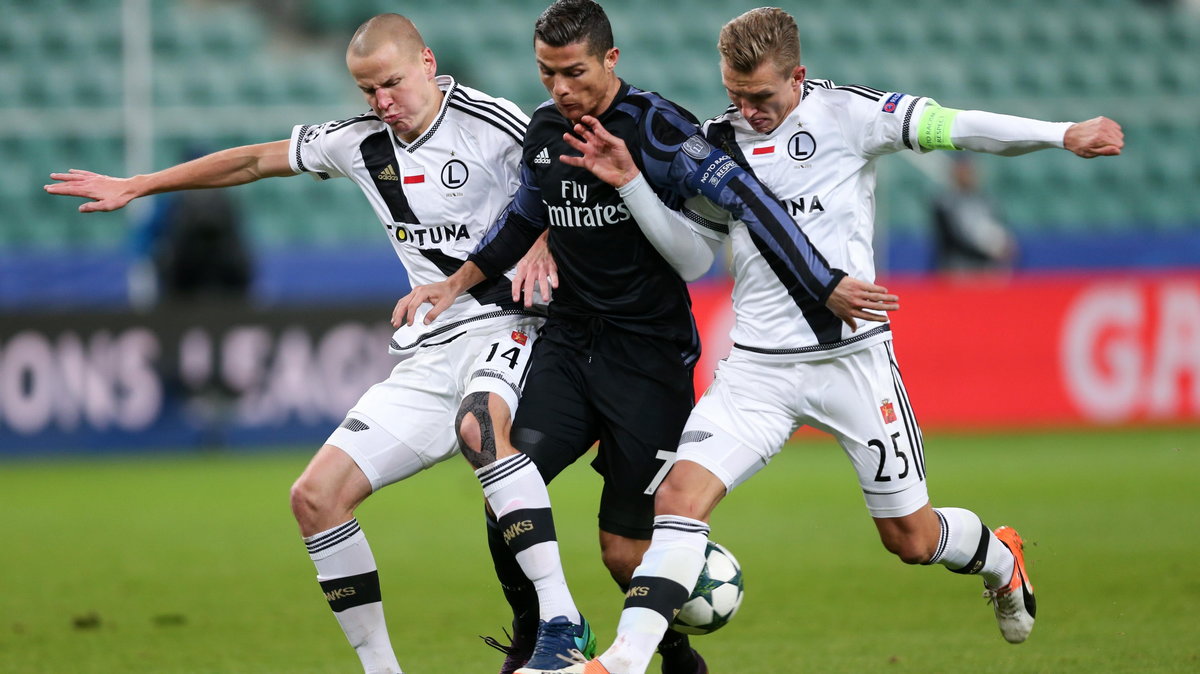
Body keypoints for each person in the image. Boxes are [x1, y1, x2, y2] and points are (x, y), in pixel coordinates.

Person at [538, 7, 1125, 673]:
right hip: (758, 370)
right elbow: (693, 257)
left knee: (909, 536)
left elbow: (955, 126)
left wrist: (1061, 133)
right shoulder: (714, 143)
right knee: (676, 502)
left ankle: (1000, 557)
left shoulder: (848, 115)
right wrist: (636, 186)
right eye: (734, 95)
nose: (747, 111)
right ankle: (621, 661)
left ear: (798, 77)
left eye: (761, 97)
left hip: (852, 363)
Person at [43, 14, 584, 674]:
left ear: (427, 64)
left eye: (391, 84)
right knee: (315, 497)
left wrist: (547, 244)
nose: (382, 102)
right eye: (366, 91)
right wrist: (141, 184)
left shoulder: (492, 121)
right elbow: (251, 160)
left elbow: (569, 181)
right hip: (431, 346)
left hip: (512, 328)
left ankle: (562, 622)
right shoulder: (358, 142)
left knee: (480, 429)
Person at [394, 2, 897, 672]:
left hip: (650, 358)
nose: (559, 89)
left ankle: (678, 656)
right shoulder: (544, 132)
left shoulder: (660, 129)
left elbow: (700, 254)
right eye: (546, 73)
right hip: (571, 345)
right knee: (507, 482)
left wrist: (631, 182)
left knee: (623, 551)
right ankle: (540, 636)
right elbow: (521, 220)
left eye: (573, 72)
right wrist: (453, 284)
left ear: (611, 59)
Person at [931, 154, 1017, 273]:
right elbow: (952, 239)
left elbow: (998, 227)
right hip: (958, 268)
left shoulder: (986, 200)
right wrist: (986, 252)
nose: (968, 175)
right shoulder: (945, 202)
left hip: (985, 268)